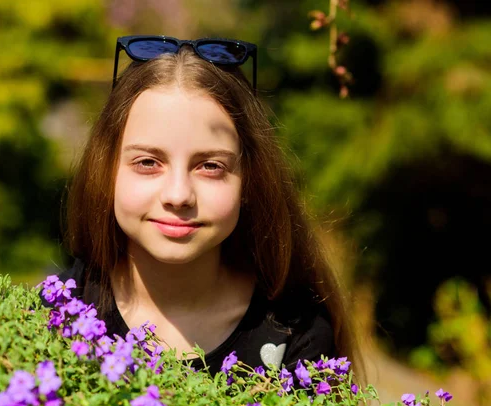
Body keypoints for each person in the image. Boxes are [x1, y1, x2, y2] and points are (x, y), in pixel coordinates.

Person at [42, 35, 363, 380]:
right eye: (148, 162)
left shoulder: (299, 336)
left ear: (248, 180)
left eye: (210, 166)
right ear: (107, 171)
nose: (178, 195)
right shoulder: (55, 314)